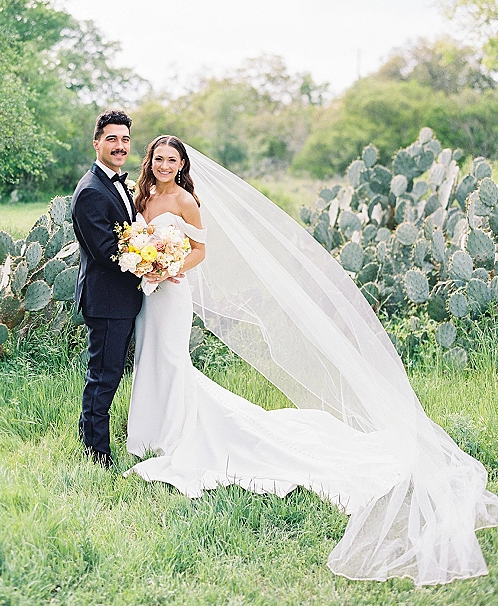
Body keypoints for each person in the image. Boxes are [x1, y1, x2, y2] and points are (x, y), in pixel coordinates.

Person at [124, 135, 498, 586]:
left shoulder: (185, 199)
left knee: (171, 359)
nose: (165, 164)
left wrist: (172, 264)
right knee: (150, 358)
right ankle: (150, 430)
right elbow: (136, 237)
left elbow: (201, 249)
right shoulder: (142, 194)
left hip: (173, 291)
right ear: (152, 162)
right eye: (159, 158)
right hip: (148, 293)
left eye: (172, 159)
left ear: (182, 163)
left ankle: (175, 433)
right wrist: (145, 263)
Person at [71, 110, 142, 468]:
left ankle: (88, 435)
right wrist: (153, 264)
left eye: (125, 139)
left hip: (120, 299)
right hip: (107, 299)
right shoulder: (91, 192)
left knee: (106, 371)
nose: (119, 146)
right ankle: (96, 452)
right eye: (111, 139)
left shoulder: (116, 183)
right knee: (104, 374)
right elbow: (106, 252)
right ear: (97, 143)